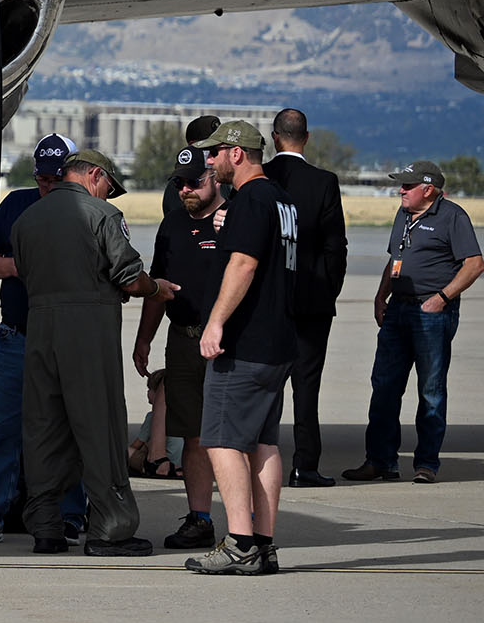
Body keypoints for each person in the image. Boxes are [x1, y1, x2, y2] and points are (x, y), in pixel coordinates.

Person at [12, 149, 155, 555]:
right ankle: (110, 528)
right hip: (88, 331)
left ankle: (45, 526)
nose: (109, 195)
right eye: (109, 186)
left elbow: (26, 273)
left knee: (43, 427)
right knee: (102, 424)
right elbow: (129, 278)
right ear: (94, 175)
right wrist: (156, 288)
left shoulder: (26, 221)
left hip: (40, 328)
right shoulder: (101, 216)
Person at [0, 133, 87, 545]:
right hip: (18, 336)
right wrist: (17, 267)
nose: (48, 186)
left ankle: (71, 513)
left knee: (66, 427)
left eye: (56, 178)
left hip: (67, 336)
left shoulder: (89, 210)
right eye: (43, 178)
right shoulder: (17, 203)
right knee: (0, 427)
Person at [189, 119, 299, 576]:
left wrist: (215, 322)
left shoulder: (251, 200)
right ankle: (264, 544)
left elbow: (244, 263)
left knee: (220, 440)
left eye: (215, 153)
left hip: (246, 344)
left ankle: (239, 542)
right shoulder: (282, 201)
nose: (209, 162)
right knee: (263, 443)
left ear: (237, 153)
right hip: (279, 341)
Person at [346, 160, 480, 485]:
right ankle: (380, 462)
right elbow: (396, 258)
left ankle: (426, 464)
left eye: (407, 186)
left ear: (428, 189)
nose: (401, 190)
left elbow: (474, 264)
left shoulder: (452, 216)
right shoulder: (404, 215)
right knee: (384, 387)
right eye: (401, 185)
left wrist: (442, 298)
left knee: (430, 391)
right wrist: (381, 297)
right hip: (397, 311)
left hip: (432, 314)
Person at [136, 146, 225, 549]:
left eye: (195, 182)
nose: (187, 189)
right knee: (192, 435)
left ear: (215, 179)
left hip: (226, 343)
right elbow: (159, 288)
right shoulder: (172, 225)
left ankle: (250, 523)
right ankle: (199, 517)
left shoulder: (235, 222)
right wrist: (144, 339)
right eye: (180, 183)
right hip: (183, 340)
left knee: (230, 435)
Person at [263, 109, 349, 488]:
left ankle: (256, 463)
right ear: (307, 138)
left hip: (265, 301)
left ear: (275, 137)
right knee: (306, 387)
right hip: (312, 299)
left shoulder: (259, 179)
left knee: (262, 385)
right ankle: (305, 465)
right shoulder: (324, 182)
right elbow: (336, 245)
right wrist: (328, 288)